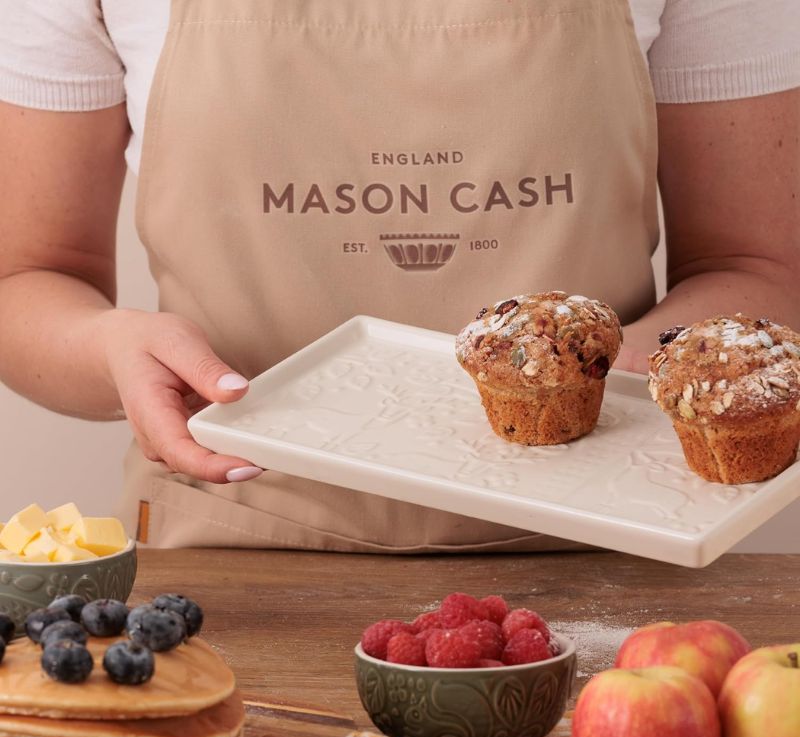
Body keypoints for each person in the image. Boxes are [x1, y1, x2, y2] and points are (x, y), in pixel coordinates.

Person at [0, 0, 798, 551]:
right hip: (228, 564)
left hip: (612, 552)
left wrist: (623, 373)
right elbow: (27, 279)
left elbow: (759, 268)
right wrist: (112, 350)